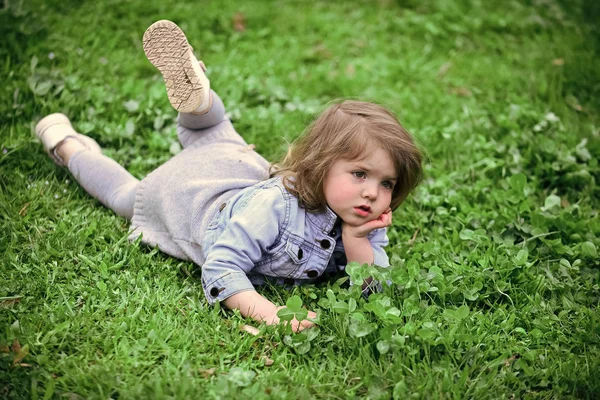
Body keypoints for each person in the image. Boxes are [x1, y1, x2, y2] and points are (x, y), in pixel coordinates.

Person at [35, 20, 423, 332]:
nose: (373, 193)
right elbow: (221, 268)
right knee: (126, 194)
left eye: (386, 183)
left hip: (236, 169)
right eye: (359, 173)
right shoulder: (273, 206)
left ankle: (202, 102)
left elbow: (376, 294)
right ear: (321, 164)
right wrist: (271, 313)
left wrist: (357, 241)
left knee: (216, 131)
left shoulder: (365, 218)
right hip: (192, 197)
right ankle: (68, 148)